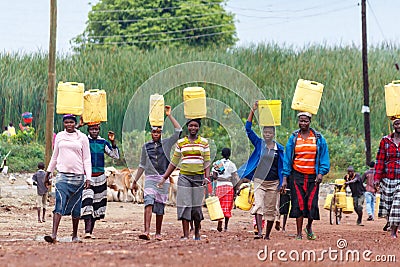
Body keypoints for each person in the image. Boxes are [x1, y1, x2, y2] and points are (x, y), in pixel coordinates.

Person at [132, 105, 181, 241]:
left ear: (161, 134)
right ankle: (146, 231)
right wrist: (135, 181)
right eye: (154, 132)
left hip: (163, 179)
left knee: (160, 206)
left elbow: (179, 131)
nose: (155, 135)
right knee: (148, 201)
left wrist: (169, 115)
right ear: (151, 133)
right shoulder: (145, 147)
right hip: (150, 178)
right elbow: (142, 165)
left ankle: (158, 232)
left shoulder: (166, 144)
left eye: (158, 133)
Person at [237, 101, 284, 240]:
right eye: (265, 131)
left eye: (270, 132)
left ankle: (267, 235)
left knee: (270, 210)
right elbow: (248, 130)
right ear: (263, 133)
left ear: (274, 133)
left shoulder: (279, 149)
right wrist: (253, 110)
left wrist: (283, 182)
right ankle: (259, 232)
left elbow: (283, 167)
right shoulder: (259, 144)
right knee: (258, 205)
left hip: (273, 183)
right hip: (259, 181)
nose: (267, 134)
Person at [158, 118, 211, 241]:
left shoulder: (204, 142)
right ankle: (186, 234)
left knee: (196, 207)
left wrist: (206, 177)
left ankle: (197, 233)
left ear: (199, 127)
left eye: (196, 126)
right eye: (191, 125)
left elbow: (207, 162)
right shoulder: (181, 143)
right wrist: (164, 178)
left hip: (198, 177)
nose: (193, 128)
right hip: (184, 177)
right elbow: (174, 162)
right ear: (187, 126)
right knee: (185, 205)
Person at [43, 114, 92, 243]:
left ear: (75, 123)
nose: (69, 125)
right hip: (62, 177)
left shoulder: (82, 138)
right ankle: (53, 235)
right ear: (63, 123)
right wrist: (48, 173)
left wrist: (88, 178)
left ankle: (75, 235)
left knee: (76, 207)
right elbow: (54, 157)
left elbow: (87, 159)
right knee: (59, 203)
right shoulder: (59, 136)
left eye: (71, 122)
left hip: (78, 178)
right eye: (66, 122)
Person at [281, 111, 330, 240]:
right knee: (298, 203)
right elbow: (287, 158)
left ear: (310, 122)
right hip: (297, 176)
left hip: (313, 177)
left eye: (305, 121)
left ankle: (308, 227)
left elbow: (324, 157)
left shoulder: (319, 138)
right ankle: (298, 233)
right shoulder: (293, 138)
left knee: (311, 204)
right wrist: (285, 178)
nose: (303, 123)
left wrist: (321, 173)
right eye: (301, 121)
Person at [80, 122, 120, 239]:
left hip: (100, 177)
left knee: (97, 205)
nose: (94, 132)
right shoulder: (84, 141)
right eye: (92, 129)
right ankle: (87, 230)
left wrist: (113, 142)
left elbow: (115, 155)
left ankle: (90, 232)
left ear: (99, 130)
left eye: (96, 129)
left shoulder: (103, 142)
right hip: (87, 177)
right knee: (87, 201)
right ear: (88, 130)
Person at [374, 117, 400, 238]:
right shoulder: (385, 141)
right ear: (393, 125)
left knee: (397, 202)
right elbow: (380, 160)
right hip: (388, 178)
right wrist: (376, 179)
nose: (399, 126)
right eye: (397, 124)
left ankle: (393, 231)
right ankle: (391, 223)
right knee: (389, 205)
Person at [211, 147, 239, 232]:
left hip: (220, 186)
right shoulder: (232, 165)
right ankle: (226, 226)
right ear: (230, 154)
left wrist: (219, 176)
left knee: (219, 205)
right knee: (227, 207)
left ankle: (220, 222)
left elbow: (214, 176)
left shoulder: (217, 163)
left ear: (222, 154)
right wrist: (236, 189)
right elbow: (235, 178)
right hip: (229, 187)